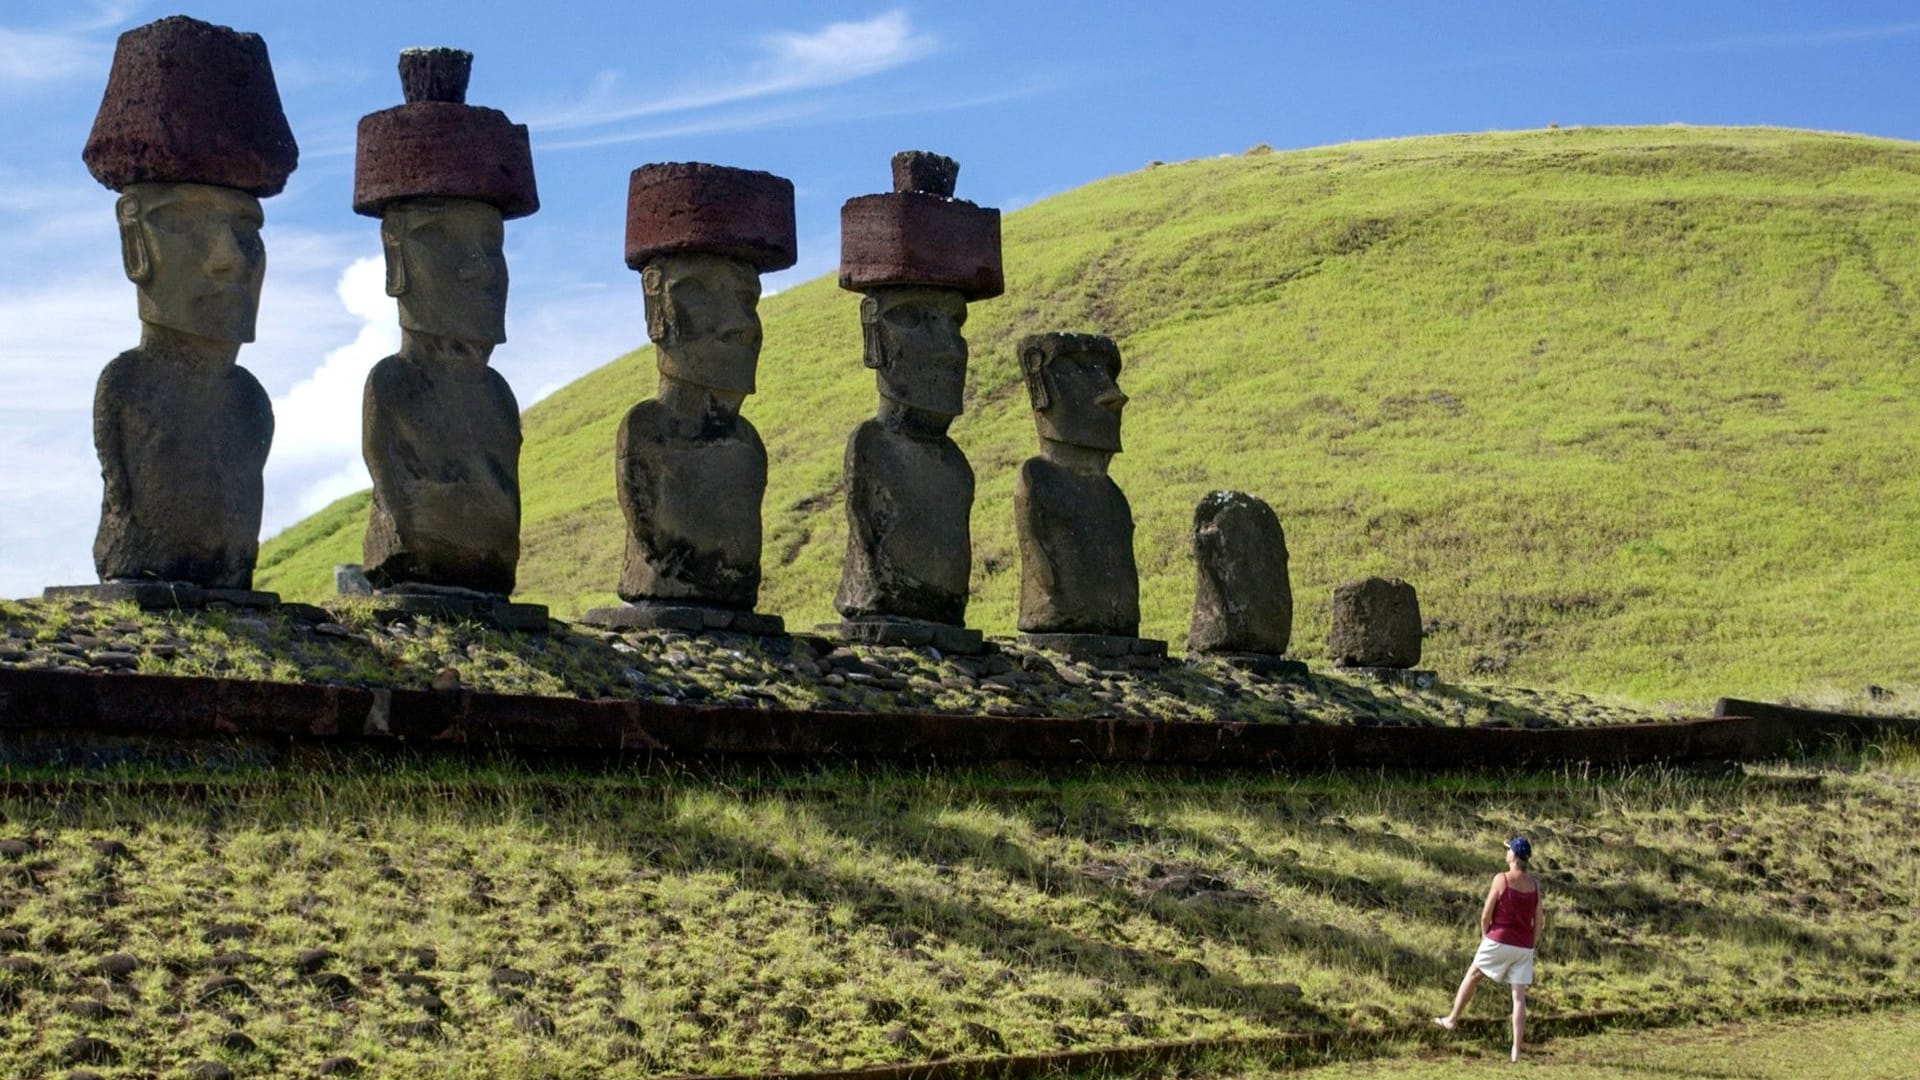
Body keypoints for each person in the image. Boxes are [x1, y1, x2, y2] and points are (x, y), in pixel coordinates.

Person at [1435, 836, 1540, 1062]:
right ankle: (1516, 1050)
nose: (1506, 853)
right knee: (1518, 996)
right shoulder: (1534, 885)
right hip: (1524, 945)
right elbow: (1539, 920)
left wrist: (1485, 936)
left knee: (1473, 975)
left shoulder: (1501, 879)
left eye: (1508, 850)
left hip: (1499, 938)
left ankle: (1452, 1019)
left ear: (1513, 856)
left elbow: (1486, 913)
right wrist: (1531, 943)